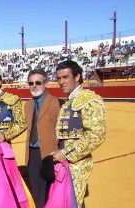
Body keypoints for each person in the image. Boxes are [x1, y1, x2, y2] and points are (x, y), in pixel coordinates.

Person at [52, 60, 106, 208]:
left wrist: (66, 153)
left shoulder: (88, 99)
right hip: (66, 164)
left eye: (65, 77)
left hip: (77, 164)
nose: (61, 82)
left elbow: (96, 134)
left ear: (77, 77)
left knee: (72, 202)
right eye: (58, 78)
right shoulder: (70, 101)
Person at [24, 69, 61, 208]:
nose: (34, 85)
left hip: (51, 153)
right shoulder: (27, 105)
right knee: (36, 190)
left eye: (38, 82)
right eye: (31, 83)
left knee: (52, 189)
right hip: (32, 153)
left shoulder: (57, 102)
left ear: (45, 83)